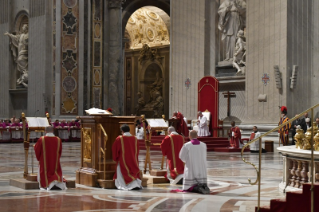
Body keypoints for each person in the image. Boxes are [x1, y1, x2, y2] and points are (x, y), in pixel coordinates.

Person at [34, 126, 66, 191]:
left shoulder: (42, 139)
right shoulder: (58, 139)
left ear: (45, 131)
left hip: (44, 160)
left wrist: (35, 146)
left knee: (45, 170)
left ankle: (46, 183)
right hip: (55, 160)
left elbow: (37, 149)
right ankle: (56, 179)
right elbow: (60, 151)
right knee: (55, 170)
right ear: (53, 130)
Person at [112, 124, 142, 190]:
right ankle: (136, 183)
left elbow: (115, 149)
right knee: (133, 171)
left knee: (122, 171)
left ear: (122, 131)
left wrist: (115, 158)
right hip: (133, 160)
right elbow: (137, 150)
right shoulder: (135, 138)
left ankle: (130, 185)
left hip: (123, 160)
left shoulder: (120, 138)